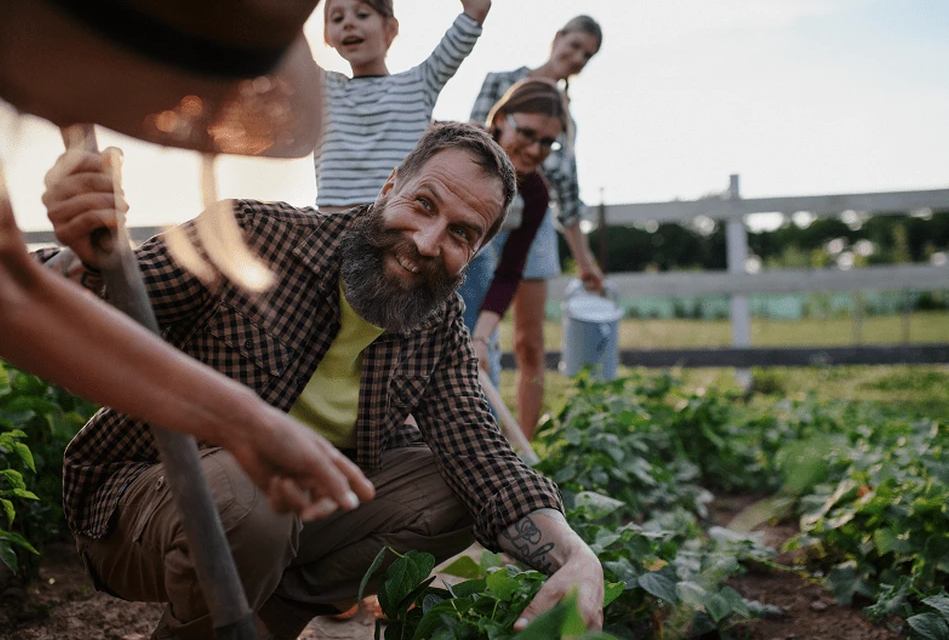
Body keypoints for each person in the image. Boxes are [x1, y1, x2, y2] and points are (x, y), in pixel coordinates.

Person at [40, 122, 605, 639]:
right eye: (423, 205)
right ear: (389, 188)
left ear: (474, 254)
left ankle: (263, 624)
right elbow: (120, 293)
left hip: (275, 519)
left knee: (455, 485)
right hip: (142, 498)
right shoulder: (255, 235)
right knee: (254, 490)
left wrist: (580, 559)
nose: (428, 243)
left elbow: (484, 457)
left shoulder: (436, 327)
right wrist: (84, 263)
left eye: (460, 234)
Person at [0, 163, 373, 523]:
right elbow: (23, 298)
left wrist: (246, 422)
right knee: (241, 496)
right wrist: (87, 268)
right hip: (138, 482)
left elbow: (17, 299)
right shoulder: (260, 230)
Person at [469, 15, 606, 441]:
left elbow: (568, 193)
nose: (578, 57)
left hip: (533, 217)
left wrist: (585, 260)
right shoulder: (502, 81)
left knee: (530, 343)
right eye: (576, 45)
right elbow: (474, 135)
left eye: (588, 55)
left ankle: (522, 442)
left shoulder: (567, 119)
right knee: (470, 324)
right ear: (557, 38)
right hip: (484, 208)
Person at [315, 0, 491, 211]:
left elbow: (478, 6)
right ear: (327, 35)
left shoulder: (421, 82)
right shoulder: (321, 86)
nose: (348, 23)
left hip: (394, 227)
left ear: (390, 28)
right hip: (332, 231)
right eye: (337, 18)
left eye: (362, 14)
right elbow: (281, 34)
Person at [458, 78, 570, 388]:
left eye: (547, 142)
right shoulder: (462, 148)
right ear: (503, 118)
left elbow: (509, 272)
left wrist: (480, 338)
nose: (536, 150)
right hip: (424, 272)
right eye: (527, 134)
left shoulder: (535, 194)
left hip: (476, 283)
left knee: (482, 370)